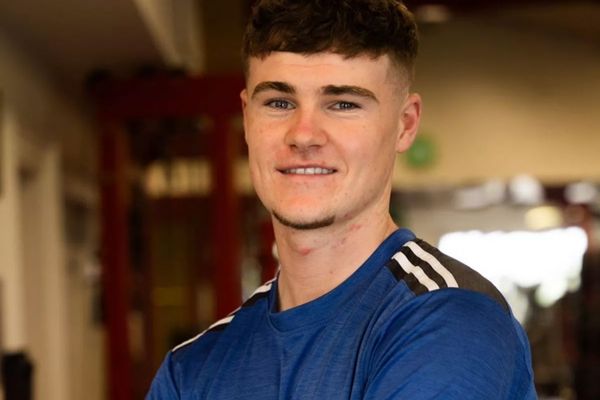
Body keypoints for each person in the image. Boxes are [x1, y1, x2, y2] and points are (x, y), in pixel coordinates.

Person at [147, 0, 536, 398]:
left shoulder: (450, 319)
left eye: (343, 104)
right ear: (247, 118)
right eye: (279, 103)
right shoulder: (191, 369)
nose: (303, 135)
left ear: (405, 125)